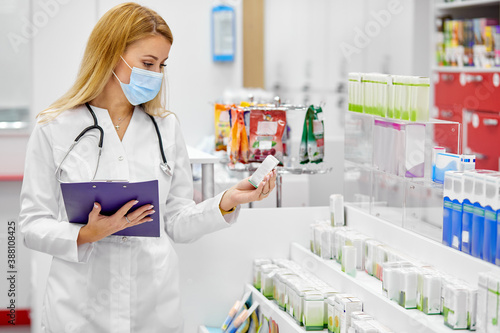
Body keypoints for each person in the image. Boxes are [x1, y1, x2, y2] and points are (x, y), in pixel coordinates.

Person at [19, 3, 276, 332]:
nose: (155, 75)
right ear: (111, 55)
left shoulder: (165, 128)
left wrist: (226, 201)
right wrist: (84, 234)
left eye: (162, 65)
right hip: (81, 311)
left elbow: (177, 221)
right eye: (147, 63)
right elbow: (30, 226)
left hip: (153, 309)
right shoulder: (54, 127)